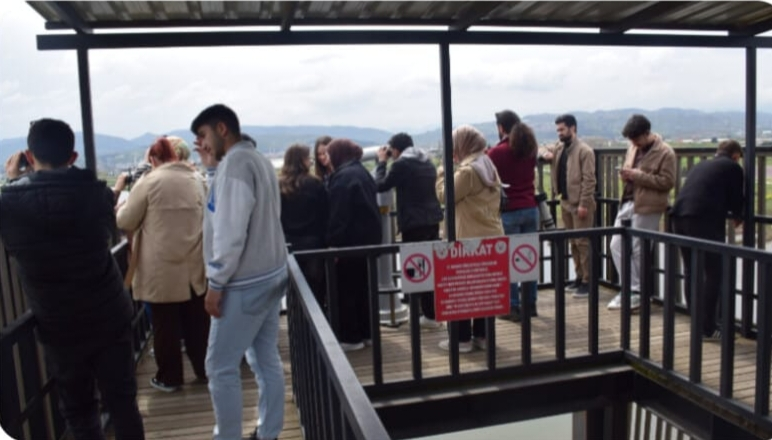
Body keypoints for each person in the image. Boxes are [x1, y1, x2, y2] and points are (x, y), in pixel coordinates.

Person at [0, 119, 145, 440]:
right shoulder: (94, 193)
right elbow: (109, 229)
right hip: (108, 313)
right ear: (73, 156)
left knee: (79, 412)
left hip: (58, 323)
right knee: (122, 403)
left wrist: (14, 181)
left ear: (28, 154)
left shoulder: (9, 204)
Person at [191, 104, 287, 440]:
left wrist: (215, 284)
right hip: (271, 275)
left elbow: (230, 233)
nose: (200, 144)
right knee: (265, 360)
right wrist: (210, 165)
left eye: (202, 136)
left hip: (243, 284)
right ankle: (269, 431)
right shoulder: (256, 159)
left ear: (221, 129)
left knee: (219, 367)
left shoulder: (234, 166)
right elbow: (232, 206)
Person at [116, 137, 210, 393]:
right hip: (194, 265)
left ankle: (170, 377)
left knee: (164, 325)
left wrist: (121, 204)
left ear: (154, 159)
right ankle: (205, 369)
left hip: (161, 269)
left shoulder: (149, 183)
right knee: (197, 322)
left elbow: (125, 220)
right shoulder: (196, 180)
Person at [436, 125, 505, 353]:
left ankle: (462, 340)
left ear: (462, 145)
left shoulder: (467, 171)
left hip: (467, 239)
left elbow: (446, 195)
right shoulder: (487, 164)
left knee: (462, 290)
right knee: (485, 292)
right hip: (490, 235)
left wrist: (441, 173)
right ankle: (483, 337)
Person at [670, 140, 744, 341]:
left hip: (679, 217)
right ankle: (708, 328)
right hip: (703, 219)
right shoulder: (733, 167)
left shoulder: (701, 165)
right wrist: (739, 215)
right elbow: (736, 199)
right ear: (736, 155)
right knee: (714, 273)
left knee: (690, 270)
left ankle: (698, 321)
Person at [375, 132, 444, 329]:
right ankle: (432, 313)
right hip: (432, 222)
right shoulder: (426, 161)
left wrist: (381, 162)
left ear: (395, 149)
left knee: (416, 270)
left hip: (414, 224)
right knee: (428, 268)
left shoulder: (402, 164)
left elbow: (381, 185)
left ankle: (428, 316)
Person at [608, 114, 676, 311]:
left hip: (648, 205)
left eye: (636, 138)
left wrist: (639, 176)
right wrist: (627, 175)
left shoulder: (666, 153)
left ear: (648, 134)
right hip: (628, 201)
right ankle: (631, 289)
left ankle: (635, 292)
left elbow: (667, 182)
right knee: (616, 245)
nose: (634, 143)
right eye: (631, 140)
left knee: (639, 248)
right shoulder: (633, 147)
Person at [327, 138, 383, 352]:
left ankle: (351, 337)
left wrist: (333, 244)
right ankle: (367, 333)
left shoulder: (342, 177)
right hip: (368, 243)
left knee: (347, 291)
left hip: (350, 245)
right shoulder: (362, 172)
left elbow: (339, 216)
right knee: (363, 290)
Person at [487, 111, 540, 322]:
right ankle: (531, 304)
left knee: (508, 261)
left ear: (501, 127)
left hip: (508, 211)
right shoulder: (530, 148)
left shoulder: (497, 152)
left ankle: (512, 305)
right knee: (528, 258)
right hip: (530, 207)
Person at [539, 114, 597, 298]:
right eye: (558, 130)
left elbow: (589, 180)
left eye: (562, 129)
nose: (559, 133)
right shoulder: (559, 148)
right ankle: (579, 277)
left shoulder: (584, 151)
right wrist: (544, 154)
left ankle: (588, 281)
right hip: (565, 201)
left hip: (579, 204)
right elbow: (541, 147)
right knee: (573, 242)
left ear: (573, 128)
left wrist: (584, 203)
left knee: (583, 242)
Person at [279, 143, 329, 308]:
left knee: (294, 293)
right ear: (302, 160)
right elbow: (325, 214)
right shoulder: (315, 184)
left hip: (288, 245)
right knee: (315, 293)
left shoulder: (279, 185)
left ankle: (297, 333)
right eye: (308, 158)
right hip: (314, 246)